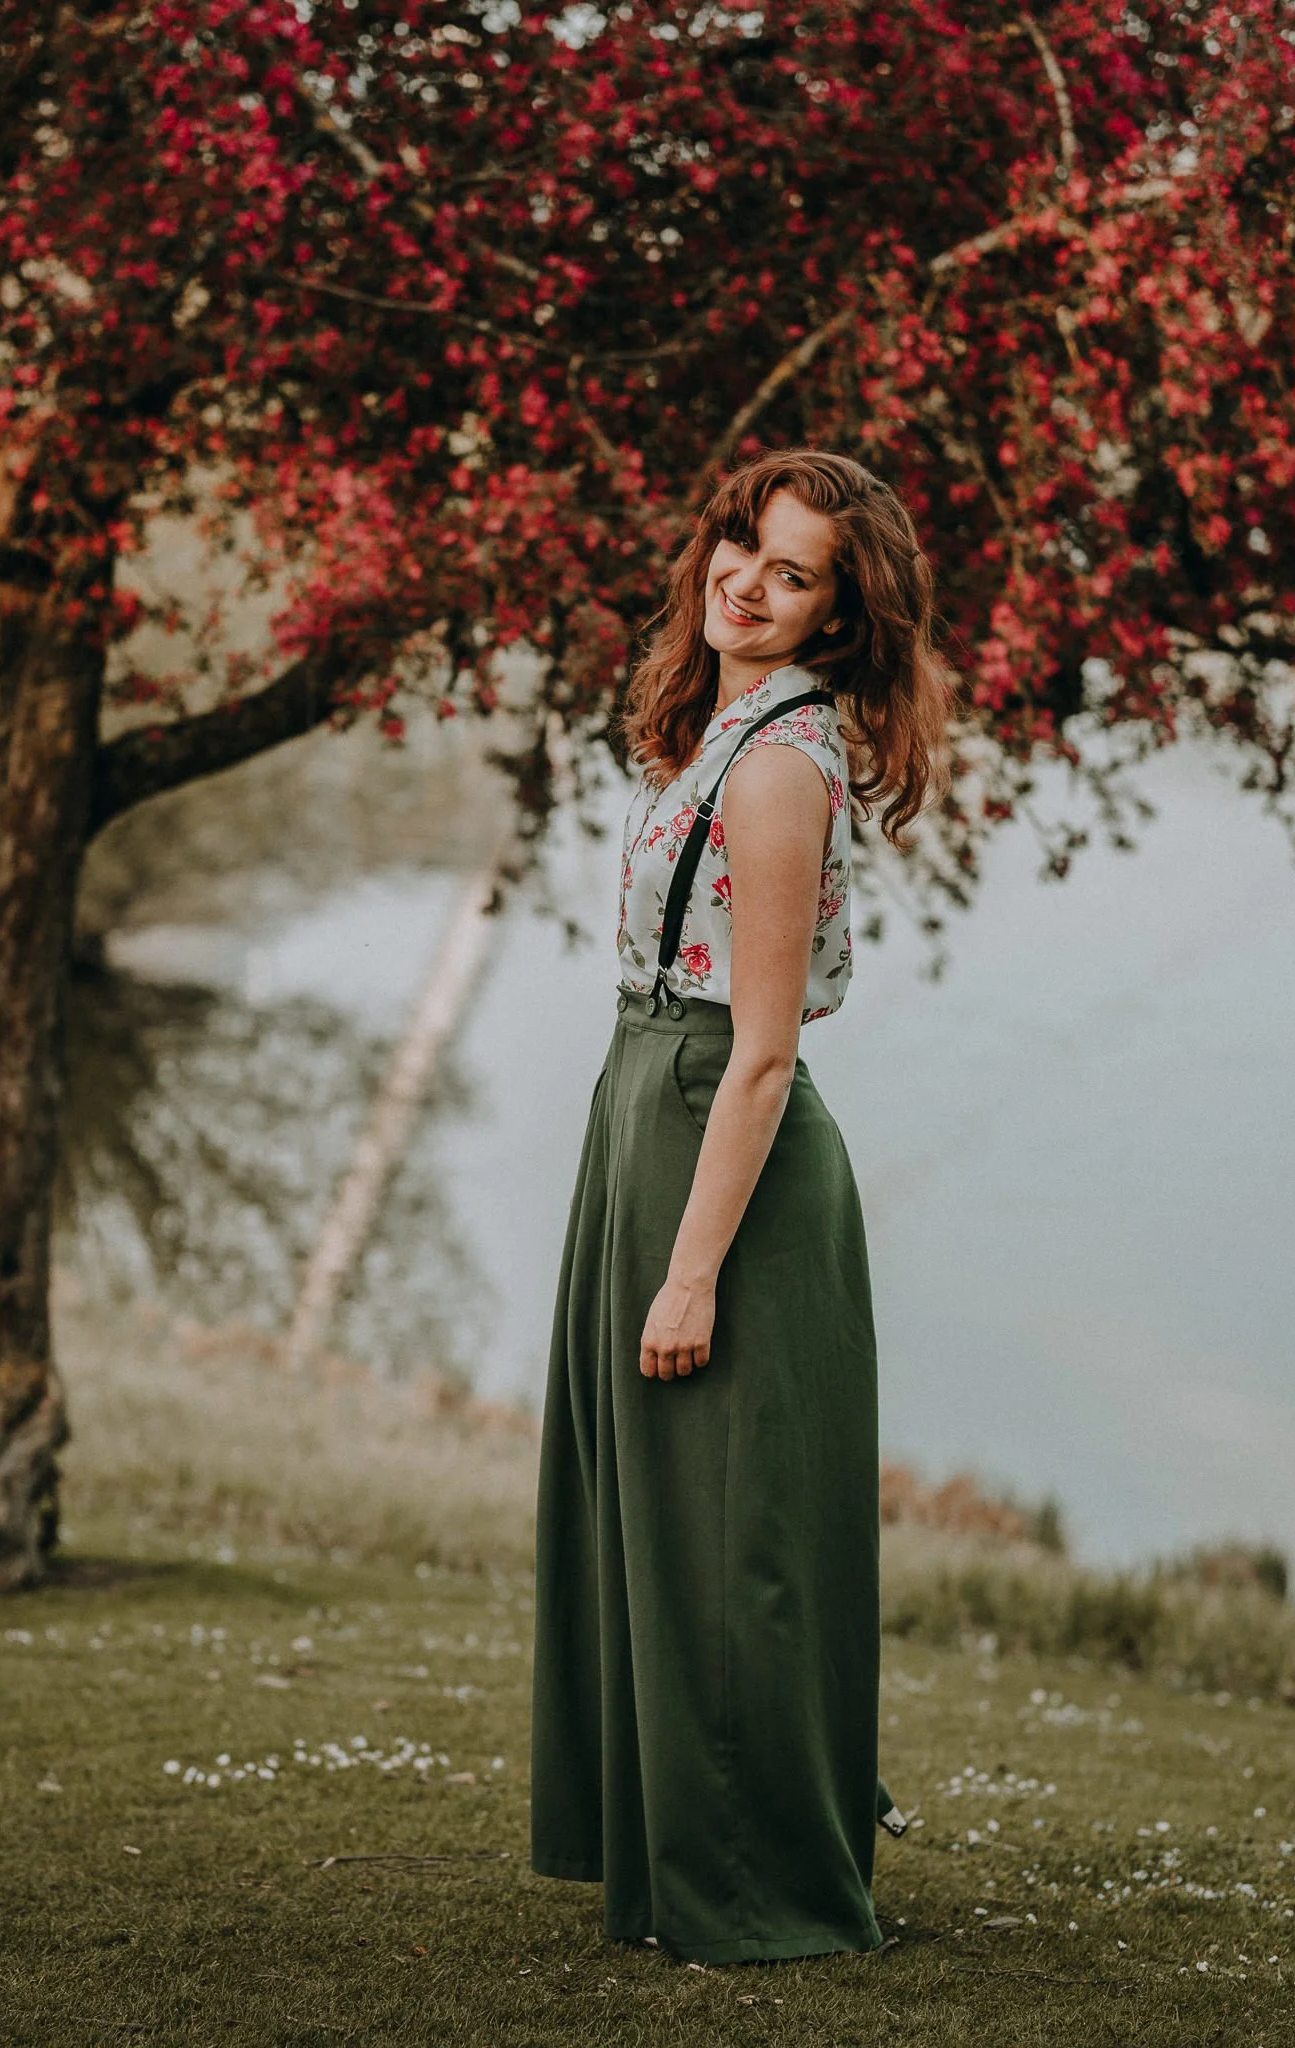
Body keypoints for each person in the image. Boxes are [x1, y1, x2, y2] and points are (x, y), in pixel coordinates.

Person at [529, 448, 956, 1964]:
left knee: (732, 1532)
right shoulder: (724, 728)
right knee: (661, 1511)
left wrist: (691, 1272)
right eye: (741, 548)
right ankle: (674, 1857)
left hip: (722, 1143)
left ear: (838, 612)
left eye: (793, 573)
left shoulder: (777, 765)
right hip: (649, 1111)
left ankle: (755, 1887)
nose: (748, 584)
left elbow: (763, 1053)